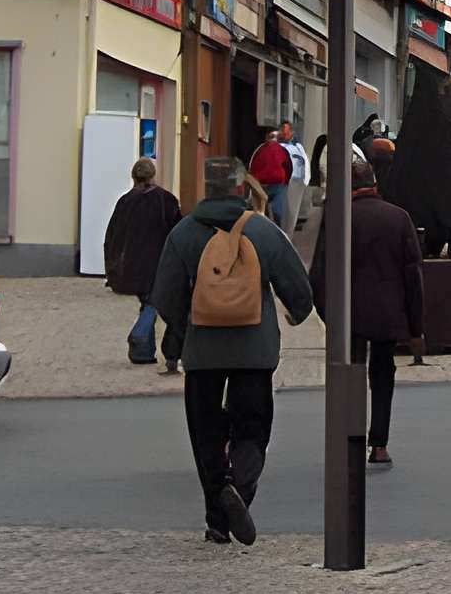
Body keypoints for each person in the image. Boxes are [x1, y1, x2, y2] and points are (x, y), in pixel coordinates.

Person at [151, 155, 316, 543]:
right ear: (243, 187)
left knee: (205, 431)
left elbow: (165, 296)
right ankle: (239, 490)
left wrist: (187, 327)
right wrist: (295, 313)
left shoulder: (183, 233)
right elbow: (299, 292)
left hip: (203, 352)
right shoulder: (262, 232)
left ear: (207, 189)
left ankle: (216, 518)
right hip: (255, 350)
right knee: (253, 428)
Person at [312, 152, 428, 466]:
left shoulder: (337, 217)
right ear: (374, 184)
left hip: (347, 311)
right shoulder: (398, 217)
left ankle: (348, 437)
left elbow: (319, 272)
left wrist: (327, 314)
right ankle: (379, 444)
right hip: (387, 311)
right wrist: (415, 326)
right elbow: (412, 275)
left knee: (349, 373)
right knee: (382, 373)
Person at [100, 156, 183, 371]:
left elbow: (112, 236)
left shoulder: (125, 202)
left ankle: (144, 352)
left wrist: (112, 266)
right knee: (154, 303)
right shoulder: (166, 200)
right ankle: (139, 336)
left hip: (131, 264)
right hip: (158, 262)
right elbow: (178, 231)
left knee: (148, 302)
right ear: (153, 176)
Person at [249, 125, 296, 239]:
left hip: (266, 184)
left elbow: (252, 165)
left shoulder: (261, 149)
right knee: (276, 211)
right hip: (272, 183)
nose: (274, 139)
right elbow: (288, 166)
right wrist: (286, 181)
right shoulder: (280, 150)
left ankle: (266, 234)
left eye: (276, 136)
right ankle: (275, 235)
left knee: (264, 211)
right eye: (272, 136)